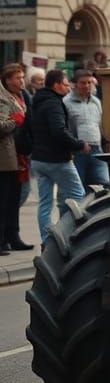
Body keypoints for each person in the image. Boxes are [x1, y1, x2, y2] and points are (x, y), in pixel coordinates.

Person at [31, 69, 87, 244]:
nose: (68, 87)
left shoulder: (37, 101)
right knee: (79, 195)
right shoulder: (53, 103)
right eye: (65, 83)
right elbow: (58, 131)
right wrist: (78, 144)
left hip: (38, 159)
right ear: (56, 85)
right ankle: (70, 234)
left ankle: (47, 241)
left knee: (45, 203)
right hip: (57, 160)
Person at [1, 64, 32, 250]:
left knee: (14, 198)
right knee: (4, 200)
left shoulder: (22, 96)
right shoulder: (2, 97)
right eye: (17, 78)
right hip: (4, 157)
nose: (21, 81)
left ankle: (14, 237)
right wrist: (15, 121)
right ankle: (2, 240)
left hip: (19, 155)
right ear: (7, 80)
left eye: (22, 77)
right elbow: (1, 124)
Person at [64, 70, 109, 188]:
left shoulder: (96, 102)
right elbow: (65, 127)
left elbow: (100, 125)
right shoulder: (66, 102)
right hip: (77, 151)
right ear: (75, 84)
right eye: (83, 83)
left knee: (103, 185)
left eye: (89, 83)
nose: (87, 86)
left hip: (97, 150)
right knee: (78, 187)